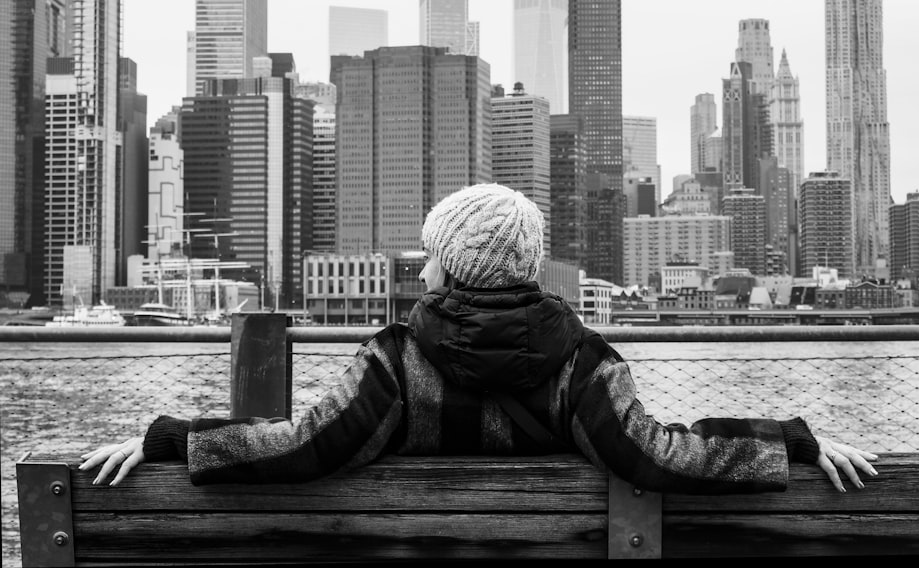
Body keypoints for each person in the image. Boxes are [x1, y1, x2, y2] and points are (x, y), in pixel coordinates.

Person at [81, 183, 877, 494]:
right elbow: (659, 455)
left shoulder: (394, 361)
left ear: (453, 265)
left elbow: (300, 448)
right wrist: (791, 440)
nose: (423, 267)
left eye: (433, 252)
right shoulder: (584, 362)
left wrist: (170, 438)